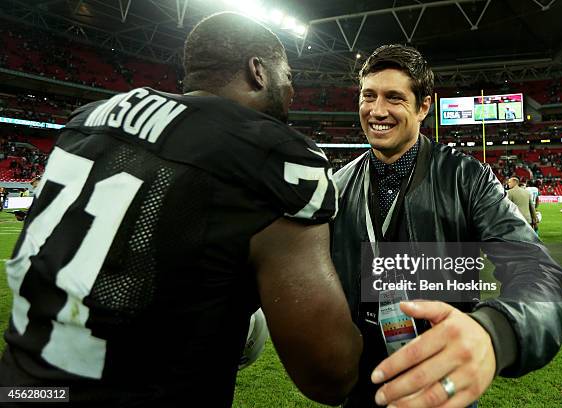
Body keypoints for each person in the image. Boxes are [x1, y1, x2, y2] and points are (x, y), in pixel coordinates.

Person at [0, 12, 362, 407]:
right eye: (288, 76)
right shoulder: (270, 153)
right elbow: (330, 374)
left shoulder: (89, 119)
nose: (293, 91)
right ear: (258, 71)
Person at [331, 44, 562, 408]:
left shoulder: (466, 177)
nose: (377, 110)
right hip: (361, 379)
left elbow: (537, 268)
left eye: (394, 98)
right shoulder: (339, 184)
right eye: (369, 96)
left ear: (423, 106)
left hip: (442, 376)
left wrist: (495, 332)